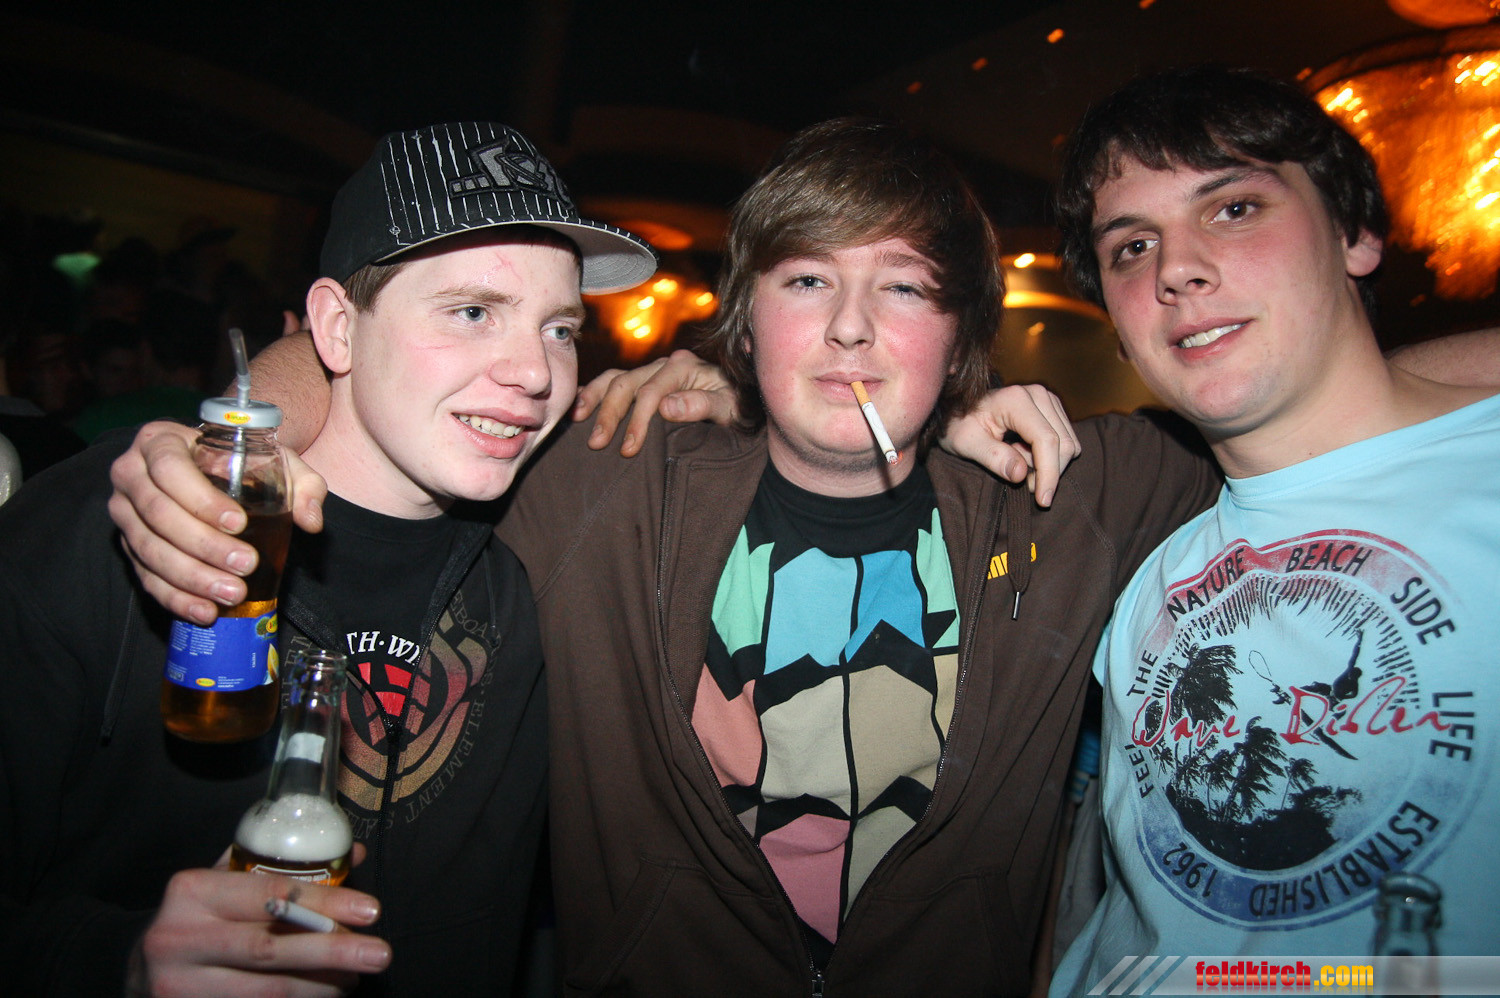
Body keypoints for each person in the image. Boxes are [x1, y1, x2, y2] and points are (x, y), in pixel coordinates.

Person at [111, 117, 1224, 994]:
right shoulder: (602, 476)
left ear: (962, 325)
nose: (850, 326)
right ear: (746, 319)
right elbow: (384, 386)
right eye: (806, 280)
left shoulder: (1070, 497)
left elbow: (1316, 403)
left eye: (903, 286)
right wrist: (225, 446)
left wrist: (958, 409)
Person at [0, 120, 659, 997]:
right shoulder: (122, 526)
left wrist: (719, 385)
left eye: (561, 329)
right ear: (336, 330)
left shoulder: (540, 564)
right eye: (472, 312)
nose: (534, 373)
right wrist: (116, 964)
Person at [1044, 65, 1500, 993]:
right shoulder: (1146, 568)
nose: (1176, 270)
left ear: (1355, 233)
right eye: (1132, 247)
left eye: (1234, 209)